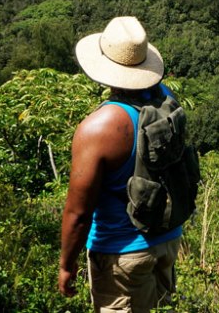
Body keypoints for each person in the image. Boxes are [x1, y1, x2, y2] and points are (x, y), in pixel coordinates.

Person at [60, 16, 182, 312]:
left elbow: (78, 213)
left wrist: (67, 265)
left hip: (122, 257)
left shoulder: (98, 128)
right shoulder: (167, 99)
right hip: (167, 241)